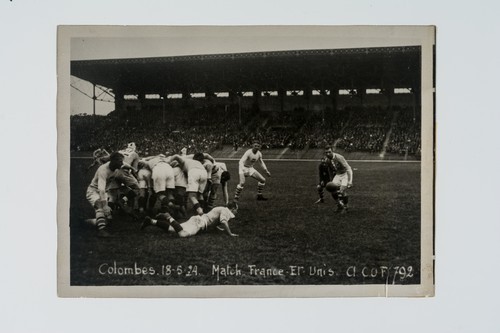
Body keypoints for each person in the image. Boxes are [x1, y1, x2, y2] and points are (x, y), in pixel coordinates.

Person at [85, 152, 125, 237]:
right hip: (94, 191)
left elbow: (126, 165)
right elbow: (101, 189)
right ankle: (102, 231)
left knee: (107, 220)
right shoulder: (103, 170)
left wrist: (133, 170)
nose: (122, 163)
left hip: (104, 192)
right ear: (113, 161)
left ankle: (86, 222)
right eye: (120, 161)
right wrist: (104, 205)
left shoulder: (117, 167)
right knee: (100, 206)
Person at [141, 203, 239, 237]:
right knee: (182, 234)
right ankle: (168, 216)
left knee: (172, 229)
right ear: (233, 209)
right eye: (236, 210)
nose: (236, 212)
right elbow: (223, 221)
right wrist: (230, 233)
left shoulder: (221, 208)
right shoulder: (226, 211)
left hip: (197, 219)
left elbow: (212, 220)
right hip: (199, 223)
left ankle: (151, 221)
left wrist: (217, 228)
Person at [323, 146, 353, 213]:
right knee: (332, 190)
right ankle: (339, 205)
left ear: (332, 151)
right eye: (326, 153)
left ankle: (345, 206)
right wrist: (331, 180)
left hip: (344, 174)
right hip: (337, 175)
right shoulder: (327, 160)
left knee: (342, 191)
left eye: (329, 152)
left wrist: (350, 181)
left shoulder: (339, 157)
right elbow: (330, 170)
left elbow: (348, 168)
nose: (328, 154)